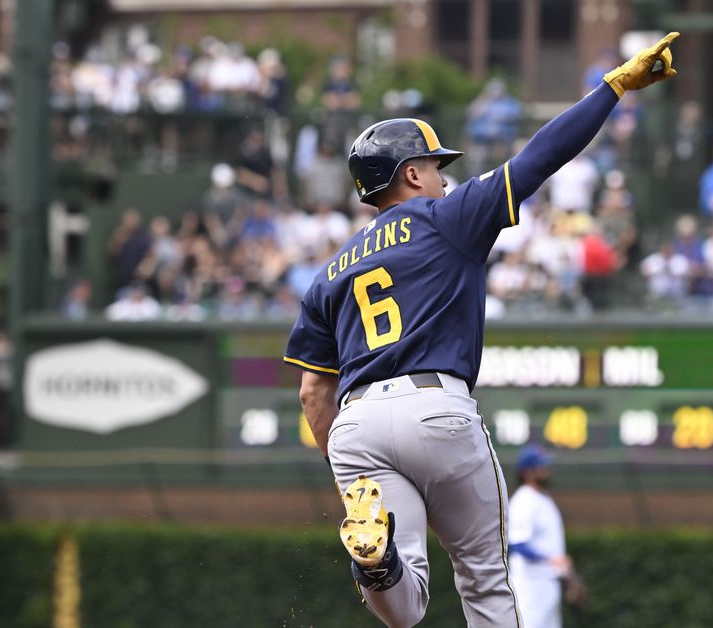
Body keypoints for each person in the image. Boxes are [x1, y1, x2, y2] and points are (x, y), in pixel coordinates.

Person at [283, 33, 679, 628]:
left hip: (357, 423)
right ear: (411, 174)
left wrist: (348, 472)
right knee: (486, 580)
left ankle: (379, 560)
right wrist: (612, 88)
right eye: (436, 168)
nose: (444, 178)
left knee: (405, 609)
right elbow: (541, 157)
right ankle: (382, 555)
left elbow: (314, 393)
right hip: (436, 407)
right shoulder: (447, 218)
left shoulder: (329, 272)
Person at [507, 445, 578, 628]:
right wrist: (550, 559)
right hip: (530, 587)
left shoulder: (543, 499)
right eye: (542, 467)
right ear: (527, 473)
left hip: (547, 583)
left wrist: (569, 576)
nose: (547, 470)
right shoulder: (524, 501)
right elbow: (516, 544)